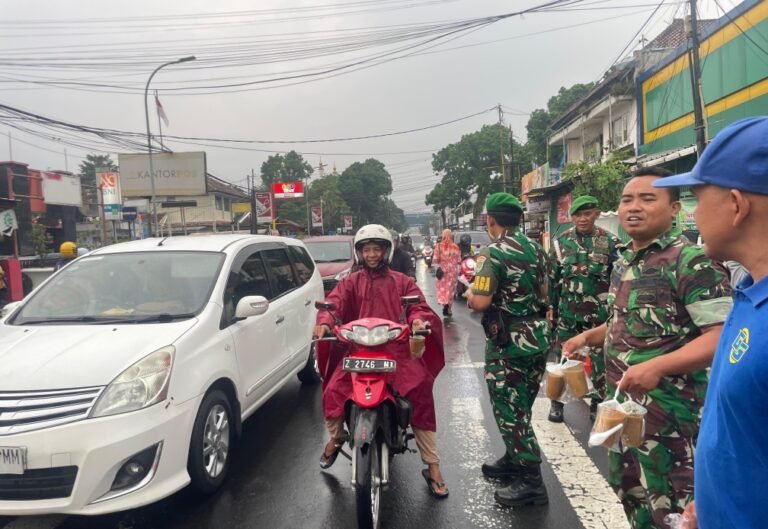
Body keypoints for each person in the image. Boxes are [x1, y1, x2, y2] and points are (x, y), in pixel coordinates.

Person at [562, 168, 733, 529]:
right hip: (623, 413)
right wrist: (586, 338)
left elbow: (721, 336)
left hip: (670, 421)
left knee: (671, 512)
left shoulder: (692, 261)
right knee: (631, 496)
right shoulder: (625, 259)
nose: (633, 207)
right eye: (627, 200)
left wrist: (658, 367)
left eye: (647, 199)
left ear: (674, 208)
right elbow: (624, 319)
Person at [650, 117, 768, 529]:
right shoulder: (750, 290)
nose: (693, 215)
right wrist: (711, 501)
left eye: (698, 198)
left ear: (737, 205)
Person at [313, 224, 449, 498]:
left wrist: (417, 319)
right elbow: (333, 304)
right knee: (333, 390)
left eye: (377, 249)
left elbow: (417, 307)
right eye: (367, 249)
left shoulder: (402, 281)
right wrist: (325, 322)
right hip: (358, 350)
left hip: (395, 349)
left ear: (386, 251)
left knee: (420, 390)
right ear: (360, 253)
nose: (372, 254)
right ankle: (336, 438)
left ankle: (433, 464)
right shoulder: (350, 281)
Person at [464, 193, 551, 508]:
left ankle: (531, 483)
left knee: (509, 411)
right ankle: (514, 460)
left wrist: (472, 292)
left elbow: (481, 302)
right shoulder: (537, 251)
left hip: (509, 343)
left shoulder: (493, 253)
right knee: (521, 405)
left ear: (490, 219)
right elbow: (546, 295)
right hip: (538, 339)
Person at [547, 195, 619, 423]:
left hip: (598, 318)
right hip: (568, 315)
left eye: (587, 214)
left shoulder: (611, 243)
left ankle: (597, 404)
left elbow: (618, 281)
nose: (582, 219)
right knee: (563, 362)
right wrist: (550, 307)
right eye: (577, 214)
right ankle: (556, 403)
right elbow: (552, 280)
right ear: (572, 217)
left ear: (597, 214)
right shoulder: (560, 243)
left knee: (600, 365)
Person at [434, 228, 461, 316]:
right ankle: (448, 307)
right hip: (453, 272)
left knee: (443, 289)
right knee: (450, 289)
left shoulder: (438, 246)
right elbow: (459, 260)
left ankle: (444, 303)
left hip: (443, 271)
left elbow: (435, 259)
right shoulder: (455, 247)